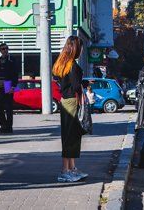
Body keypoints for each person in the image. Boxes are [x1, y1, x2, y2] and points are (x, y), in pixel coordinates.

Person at [53, 36, 88, 182]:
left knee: (70, 135)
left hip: (65, 101)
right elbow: (75, 85)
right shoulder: (73, 65)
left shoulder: (62, 63)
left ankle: (71, 168)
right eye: (80, 47)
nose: (82, 50)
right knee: (71, 136)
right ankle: (65, 170)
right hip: (72, 102)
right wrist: (83, 87)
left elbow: (64, 82)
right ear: (76, 48)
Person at [0, 43, 19, 133]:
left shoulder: (12, 59)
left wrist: (13, 86)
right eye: (3, 49)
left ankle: (9, 127)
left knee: (8, 107)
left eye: (6, 48)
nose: (5, 50)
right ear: (0, 50)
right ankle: (3, 126)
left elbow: (16, 74)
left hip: (8, 84)